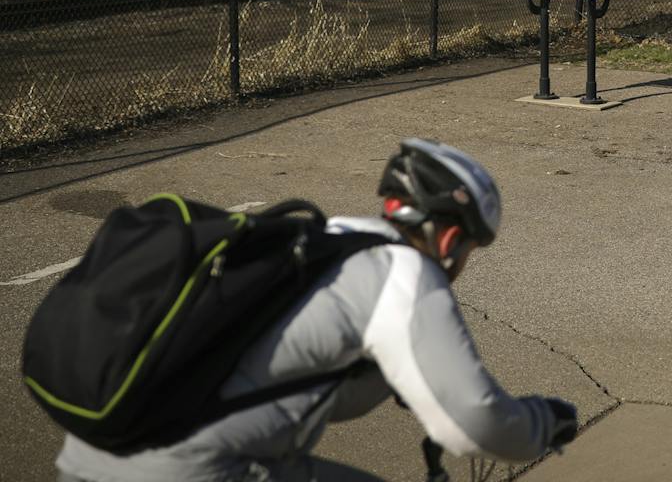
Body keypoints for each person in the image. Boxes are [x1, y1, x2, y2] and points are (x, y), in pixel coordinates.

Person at [55, 139, 578, 482]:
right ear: (447, 237)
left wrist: (380, 377)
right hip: (189, 471)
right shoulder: (404, 274)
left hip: (93, 454)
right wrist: (545, 421)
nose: (464, 263)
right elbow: (472, 425)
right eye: (469, 249)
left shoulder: (327, 239)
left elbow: (297, 370)